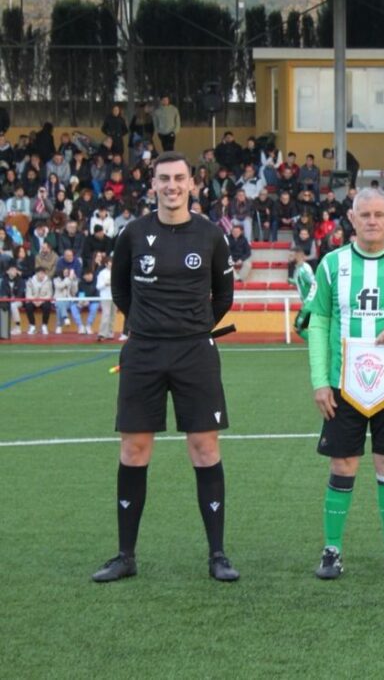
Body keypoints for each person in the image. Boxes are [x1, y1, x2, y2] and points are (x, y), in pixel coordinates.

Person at [92, 151, 236, 583]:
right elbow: (121, 291)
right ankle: (125, 556)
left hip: (195, 353)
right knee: (134, 450)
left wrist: (192, 327)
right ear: (153, 184)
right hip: (144, 352)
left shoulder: (210, 235)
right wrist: (149, 325)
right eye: (164, 179)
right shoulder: (133, 234)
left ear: (192, 184)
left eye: (179, 178)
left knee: (205, 448)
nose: (172, 186)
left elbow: (224, 296)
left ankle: (217, 555)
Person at [304, 187, 384, 580]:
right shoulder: (332, 265)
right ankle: (332, 550)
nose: (373, 221)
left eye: (380, 214)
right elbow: (319, 323)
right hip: (342, 385)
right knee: (342, 464)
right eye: (365, 215)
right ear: (352, 218)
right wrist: (320, 381)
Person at [289, 245, 316, 340]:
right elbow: (302, 282)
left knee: (298, 327)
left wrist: (308, 302)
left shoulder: (303, 270)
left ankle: (318, 344)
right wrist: (292, 281)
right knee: (303, 327)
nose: (289, 258)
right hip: (308, 303)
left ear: (298, 256)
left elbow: (314, 284)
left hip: (310, 304)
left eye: (291, 255)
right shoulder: (299, 268)